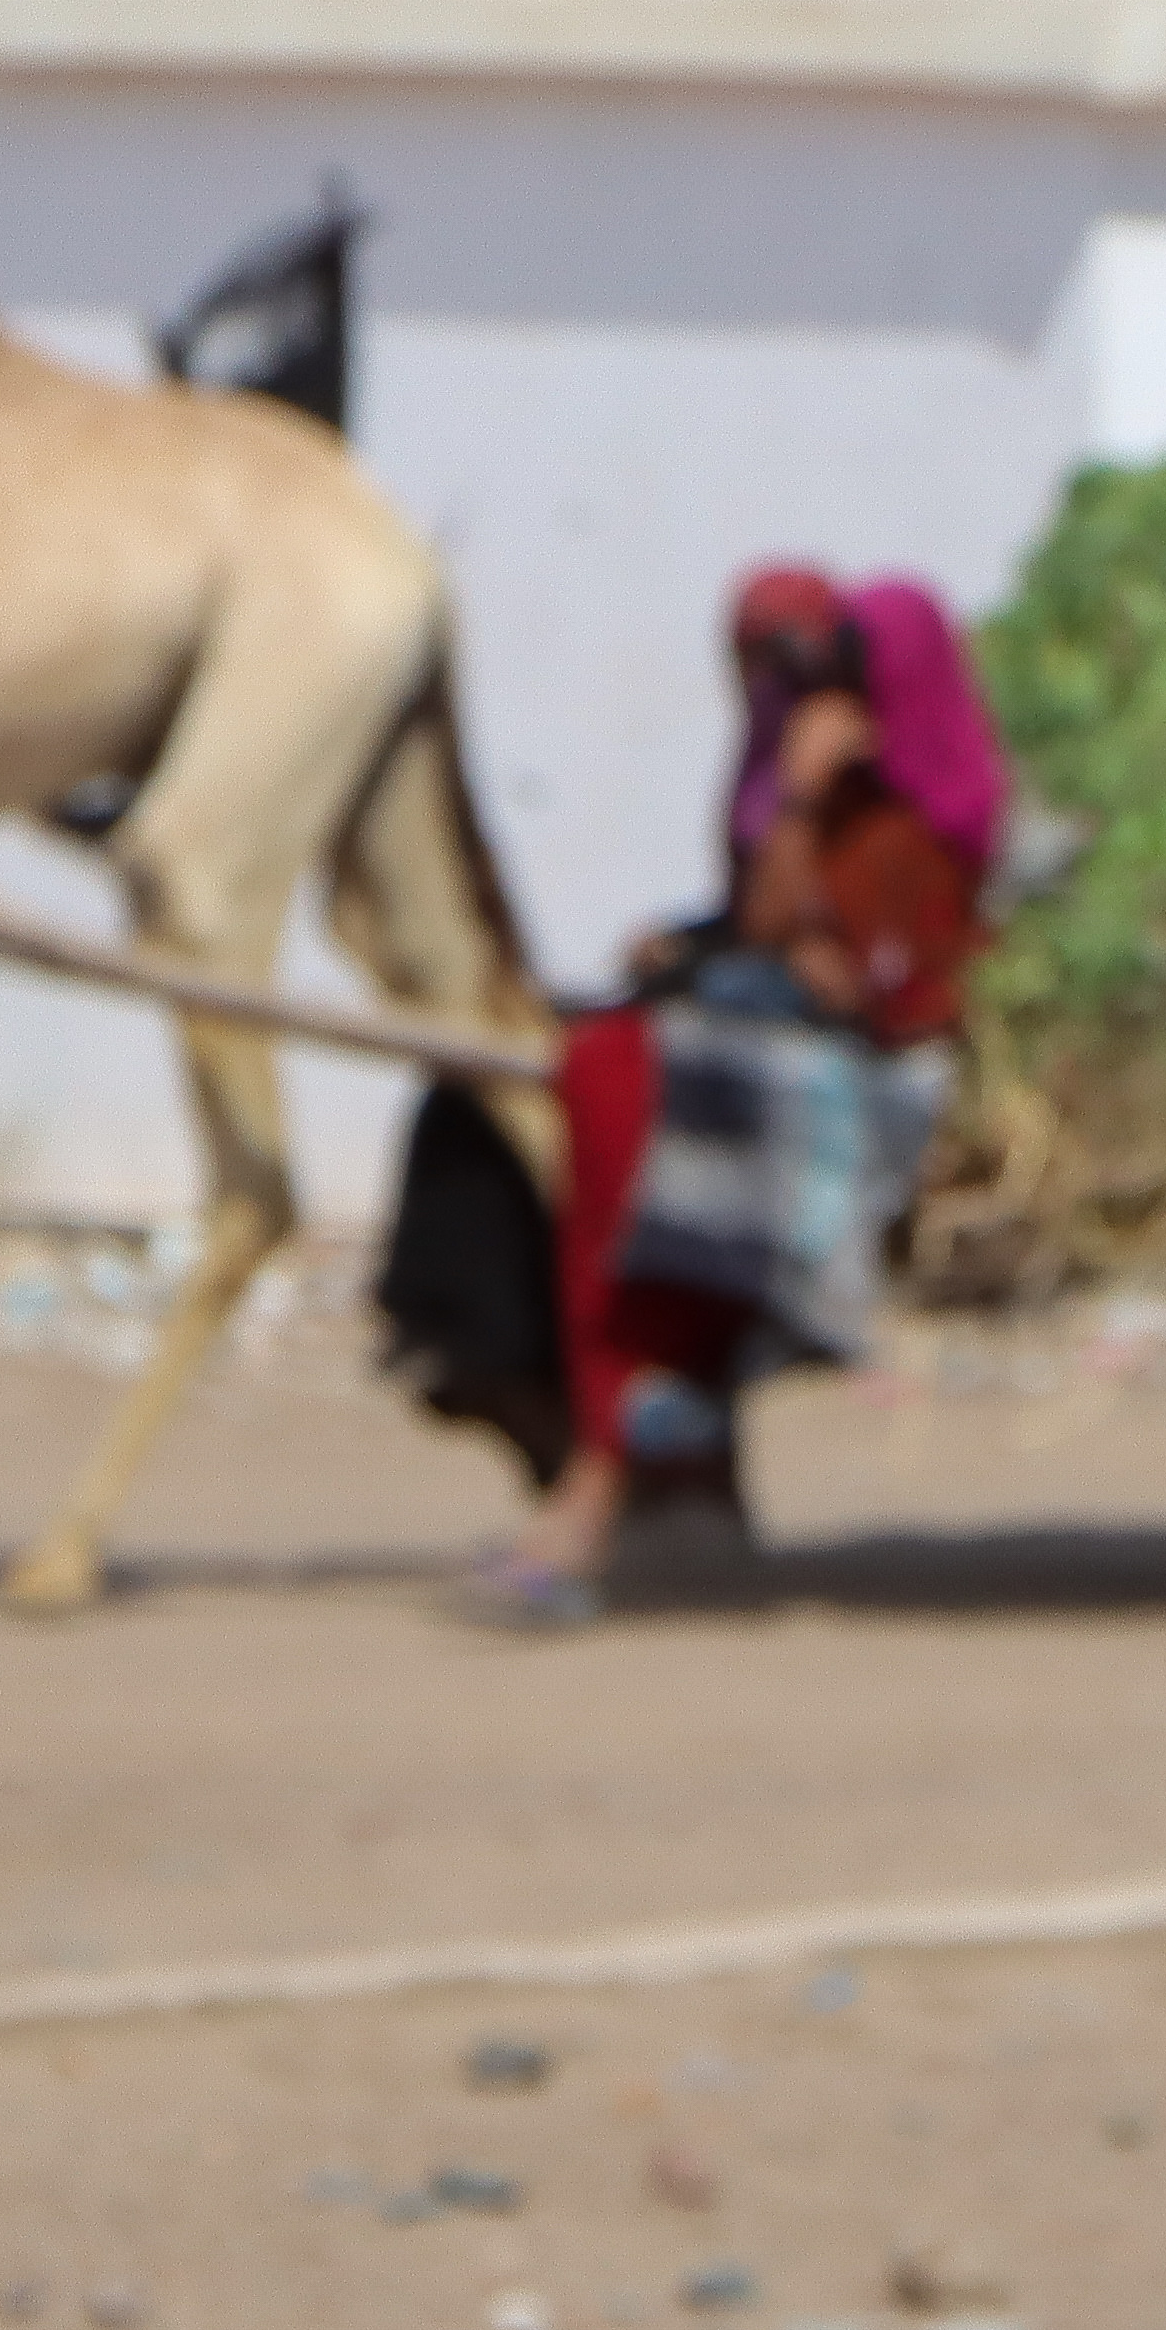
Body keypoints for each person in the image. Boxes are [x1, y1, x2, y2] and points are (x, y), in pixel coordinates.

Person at [453, 561, 1004, 1626]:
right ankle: (624, 1442)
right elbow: (763, 922)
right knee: (587, 1067)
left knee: (621, 1085)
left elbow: (876, 961)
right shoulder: (801, 757)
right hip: (783, 1011)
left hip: (867, 1047)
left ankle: (604, 1475)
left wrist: (803, 809)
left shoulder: (930, 789)